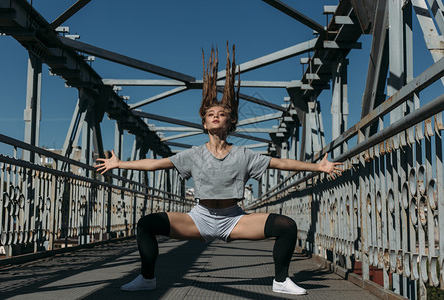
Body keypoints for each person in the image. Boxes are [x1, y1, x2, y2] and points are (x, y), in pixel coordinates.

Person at [95, 44, 342, 295]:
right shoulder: (193, 154)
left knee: (286, 225)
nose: (215, 116)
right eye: (210, 114)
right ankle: (147, 278)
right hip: (199, 218)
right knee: (147, 224)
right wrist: (119, 163)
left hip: (234, 219)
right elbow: (155, 164)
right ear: (204, 123)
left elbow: (282, 163)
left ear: (230, 122)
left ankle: (280, 281)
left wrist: (317, 167)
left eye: (221, 113)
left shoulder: (244, 155)